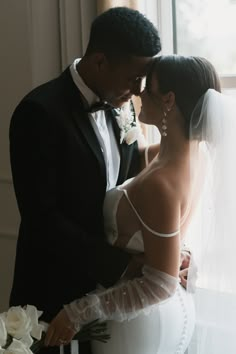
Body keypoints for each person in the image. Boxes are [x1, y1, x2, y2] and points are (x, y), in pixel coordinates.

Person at [43, 55, 228, 354]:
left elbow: (160, 283)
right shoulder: (194, 157)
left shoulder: (160, 183)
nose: (138, 94)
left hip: (138, 322)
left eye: (148, 87)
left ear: (168, 99)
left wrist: (78, 312)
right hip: (172, 312)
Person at [9, 7, 161, 354]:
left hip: (110, 298)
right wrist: (121, 266)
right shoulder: (38, 113)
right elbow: (41, 218)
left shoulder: (124, 105)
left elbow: (131, 184)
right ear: (99, 62)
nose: (138, 90)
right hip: (52, 291)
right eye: (132, 78)